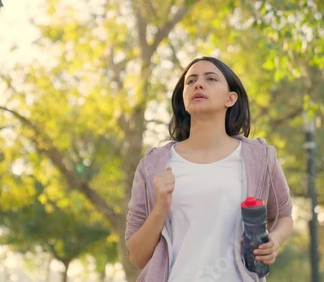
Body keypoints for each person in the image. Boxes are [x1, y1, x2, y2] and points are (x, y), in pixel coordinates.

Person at [125, 56, 294, 281]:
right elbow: (137, 257)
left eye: (211, 78)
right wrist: (160, 208)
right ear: (183, 98)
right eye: (190, 81)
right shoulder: (154, 165)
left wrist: (275, 240)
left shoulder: (259, 158)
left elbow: (283, 215)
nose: (198, 84)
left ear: (230, 98)